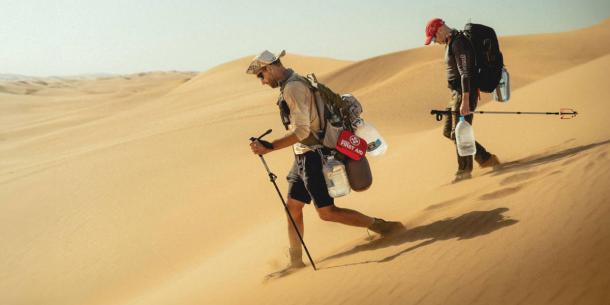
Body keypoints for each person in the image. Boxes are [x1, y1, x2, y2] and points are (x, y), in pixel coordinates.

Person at [247, 50, 403, 269]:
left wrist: (269, 147)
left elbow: (302, 131)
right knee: (292, 208)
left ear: (269, 68)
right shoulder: (293, 83)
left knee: (327, 213)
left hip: (314, 157)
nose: (262, 82)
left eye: (261, 76)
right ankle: (295, 262)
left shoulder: (292, 88)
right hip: (303, 155)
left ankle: (382, 227)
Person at [424, 18, 501, 183]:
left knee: (459, 133)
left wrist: (465, 100)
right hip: (455, 94)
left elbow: (466, 73)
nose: (434, 42)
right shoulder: (450, 42)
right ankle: (486, 158)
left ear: (439, 30)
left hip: (465, 93)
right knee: (448, 131)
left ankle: (464, 172)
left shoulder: (459, 43)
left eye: (433, 38)